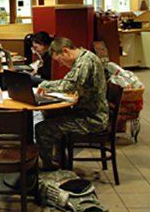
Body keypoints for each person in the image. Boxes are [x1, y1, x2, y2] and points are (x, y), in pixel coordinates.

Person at [35, 37, 108, 171]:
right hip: (86, 111)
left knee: (42, 128)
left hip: (92, 118)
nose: (61, 64)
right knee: (49, 113)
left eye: (60, 60)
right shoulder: (85, 57)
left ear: (66, 51)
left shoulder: (85, 62)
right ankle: (60, 160)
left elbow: (70, 84)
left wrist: (45, 85)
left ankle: (48, 168)